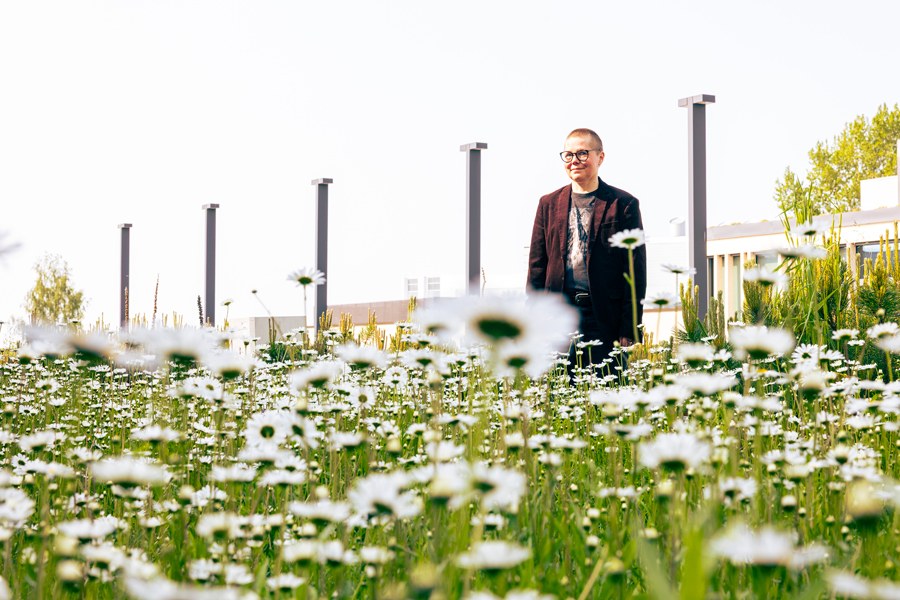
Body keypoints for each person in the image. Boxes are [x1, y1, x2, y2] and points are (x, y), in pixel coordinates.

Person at [527, 128, 646, 372]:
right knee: (558, 394)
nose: (574, 161)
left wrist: (630, 327)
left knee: (606, 392)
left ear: (600, 157)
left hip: (604, 317)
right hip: (557, 317)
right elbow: (537, 266)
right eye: (568, 155)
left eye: (582, 153)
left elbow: (635, 271)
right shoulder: (548, 204)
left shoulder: (623, 204)